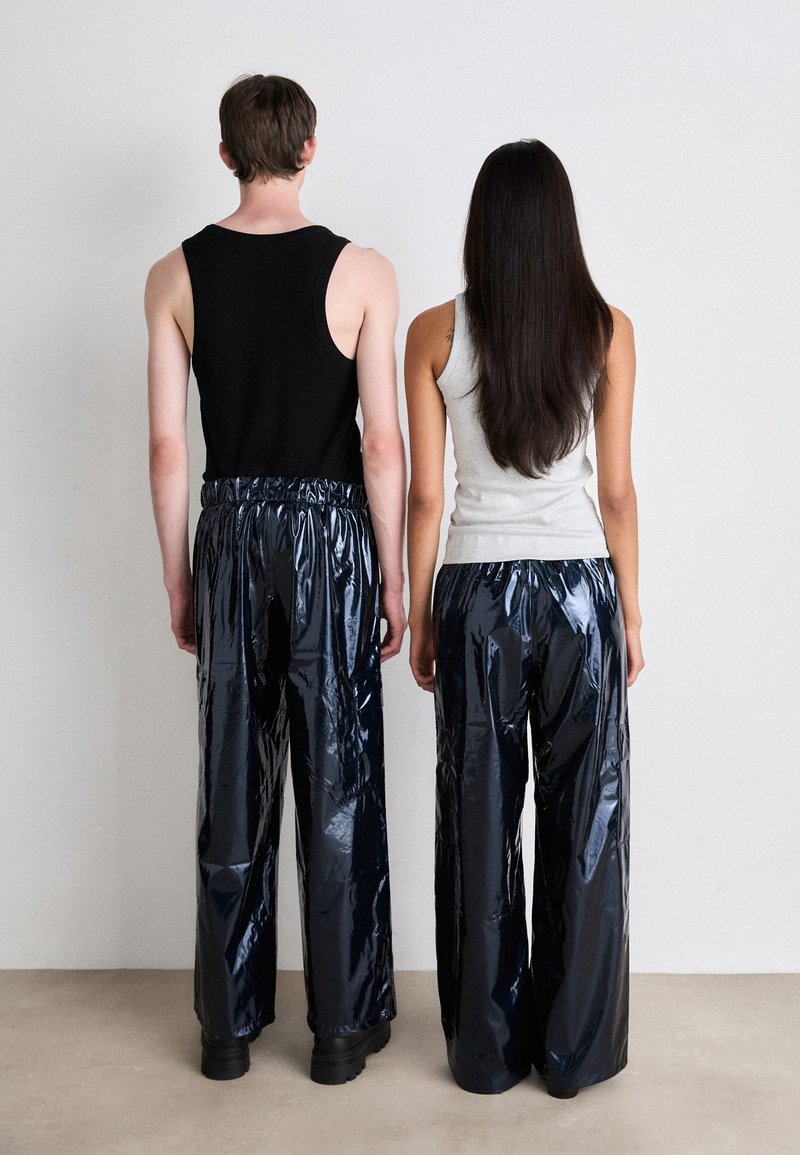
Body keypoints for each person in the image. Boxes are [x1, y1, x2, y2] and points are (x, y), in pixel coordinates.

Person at [144, 73, 406, 1084]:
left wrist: (180, 578)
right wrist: (391, 577)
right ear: (309, 149)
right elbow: (379, 445)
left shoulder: (173, 274)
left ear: (225, 155)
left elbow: (170, 447)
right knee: (337, 781)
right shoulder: (363, 272)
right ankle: (340, 1030)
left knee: (233, 779)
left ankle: (227, 1031)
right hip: (330, 535)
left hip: (228, 529)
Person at [404, 139, 643, 1099]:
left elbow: (428, 495)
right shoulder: (607, 330)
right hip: (580, 591)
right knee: (587, 818)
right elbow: (615, 492)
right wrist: (630, 612)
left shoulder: (433, 332)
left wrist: (422, 607)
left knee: (479, 815)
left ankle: (488, 1053)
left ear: (484, 228)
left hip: (475, 592)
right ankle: (574, 1053)